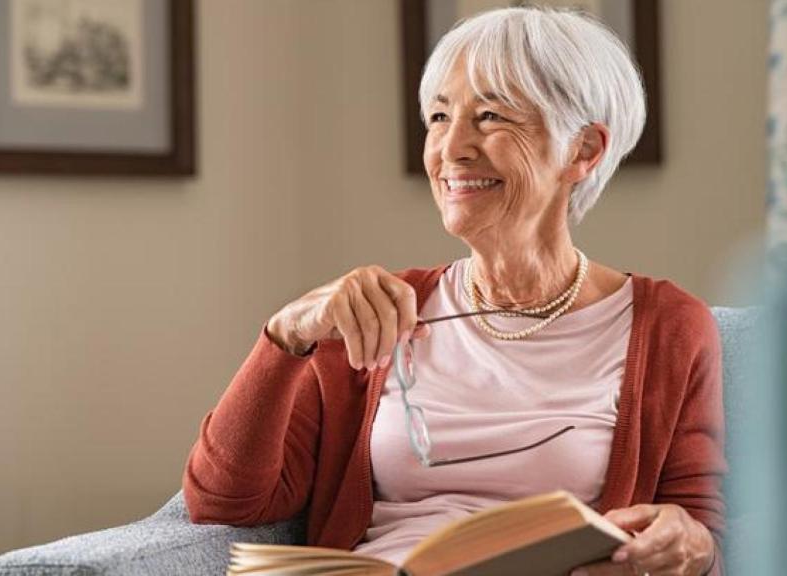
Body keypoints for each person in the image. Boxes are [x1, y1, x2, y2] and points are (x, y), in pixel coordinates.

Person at [183, 7, 725, 576]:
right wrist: (285, 335)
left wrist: (693, 544)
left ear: (583, 150)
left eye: (490, 116)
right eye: (440, 116)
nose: (452, 148)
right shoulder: (376, 315)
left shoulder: (667, 326)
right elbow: (224, 502)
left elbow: (698, 530)